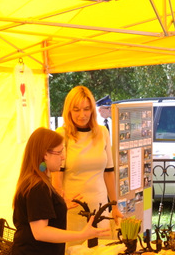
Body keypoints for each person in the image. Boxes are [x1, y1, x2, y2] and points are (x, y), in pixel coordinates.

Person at [9, 127, 112, 255]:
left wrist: (60, 206)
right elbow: (40, 232)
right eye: (58, 152)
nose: (63, 157)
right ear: (44, 155)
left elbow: (40, 212)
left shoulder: (40, 179)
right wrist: (82, 234)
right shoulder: (37, 186)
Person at [51, 86, 122, 236]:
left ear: (92, 110)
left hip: (100, 207)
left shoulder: (102, 132)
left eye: (86, 109)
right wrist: (61, 203)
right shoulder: (62, 134)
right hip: (74, 209)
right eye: (76, 110)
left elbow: (109, 173)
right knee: (75, 249)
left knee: (101, 248)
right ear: (69, 110)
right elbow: (56, 176)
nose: (82, 115)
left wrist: (114, 207)